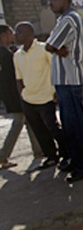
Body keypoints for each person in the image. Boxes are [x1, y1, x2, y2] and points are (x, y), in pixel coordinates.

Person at [45, 0, 83, 183]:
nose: (51, 4)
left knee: (75, 125)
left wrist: (55, 48)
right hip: (62, 80)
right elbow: (54, 46)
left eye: (53, 0)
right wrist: (56, 49)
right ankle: (75, 160)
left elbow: (50, 45)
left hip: (69, 79)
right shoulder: (62, 19)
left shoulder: (69, 19)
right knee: (69, 124)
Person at [13, 22, 68, 171]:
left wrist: (56, 91)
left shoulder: (44, 48)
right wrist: (22, 95)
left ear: (30, 33)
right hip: (28, 99)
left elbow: (55, 68)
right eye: (16, 32)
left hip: (46, 97)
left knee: (53, 127)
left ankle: (66, 154)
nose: (16, 35)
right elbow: (19, 78)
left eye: (20, 32)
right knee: (39, 130)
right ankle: (51, 156)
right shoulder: (17, 55)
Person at [0, 25, 42, 169]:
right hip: (16, 95)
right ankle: (2, 156)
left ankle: (38, 151)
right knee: (18, 123)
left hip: (10, 95)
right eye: (12, 33)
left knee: (30, 121)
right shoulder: (7, 56)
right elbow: (15, 78)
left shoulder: (6, 53)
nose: (14, 36)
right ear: (4, 35)